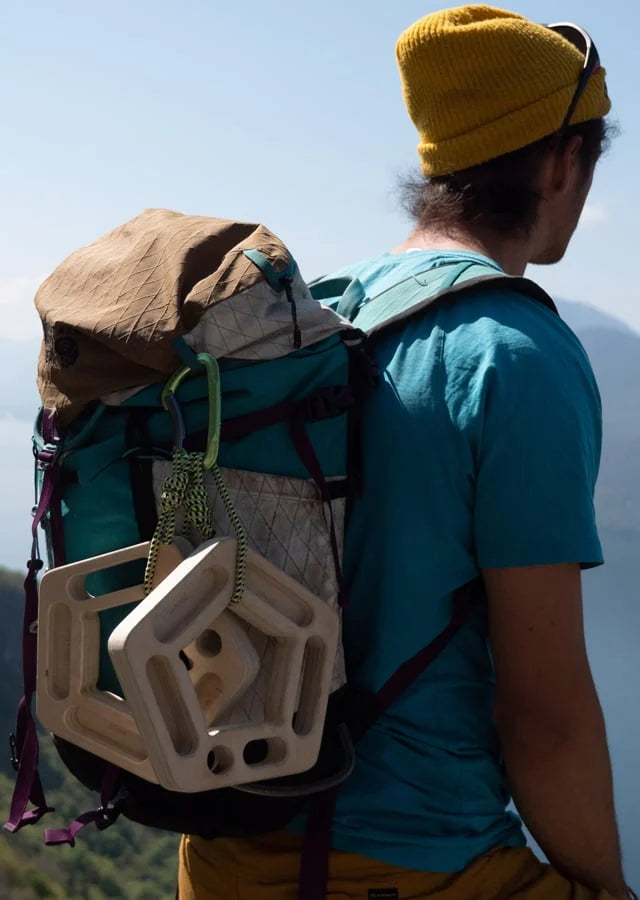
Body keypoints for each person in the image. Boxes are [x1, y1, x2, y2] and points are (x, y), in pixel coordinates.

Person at [178, 5, 634, 898]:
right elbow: (545, 715)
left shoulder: (319, 315)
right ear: (563, 161)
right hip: (406, 868)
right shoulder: (515, 355)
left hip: (225, 849)